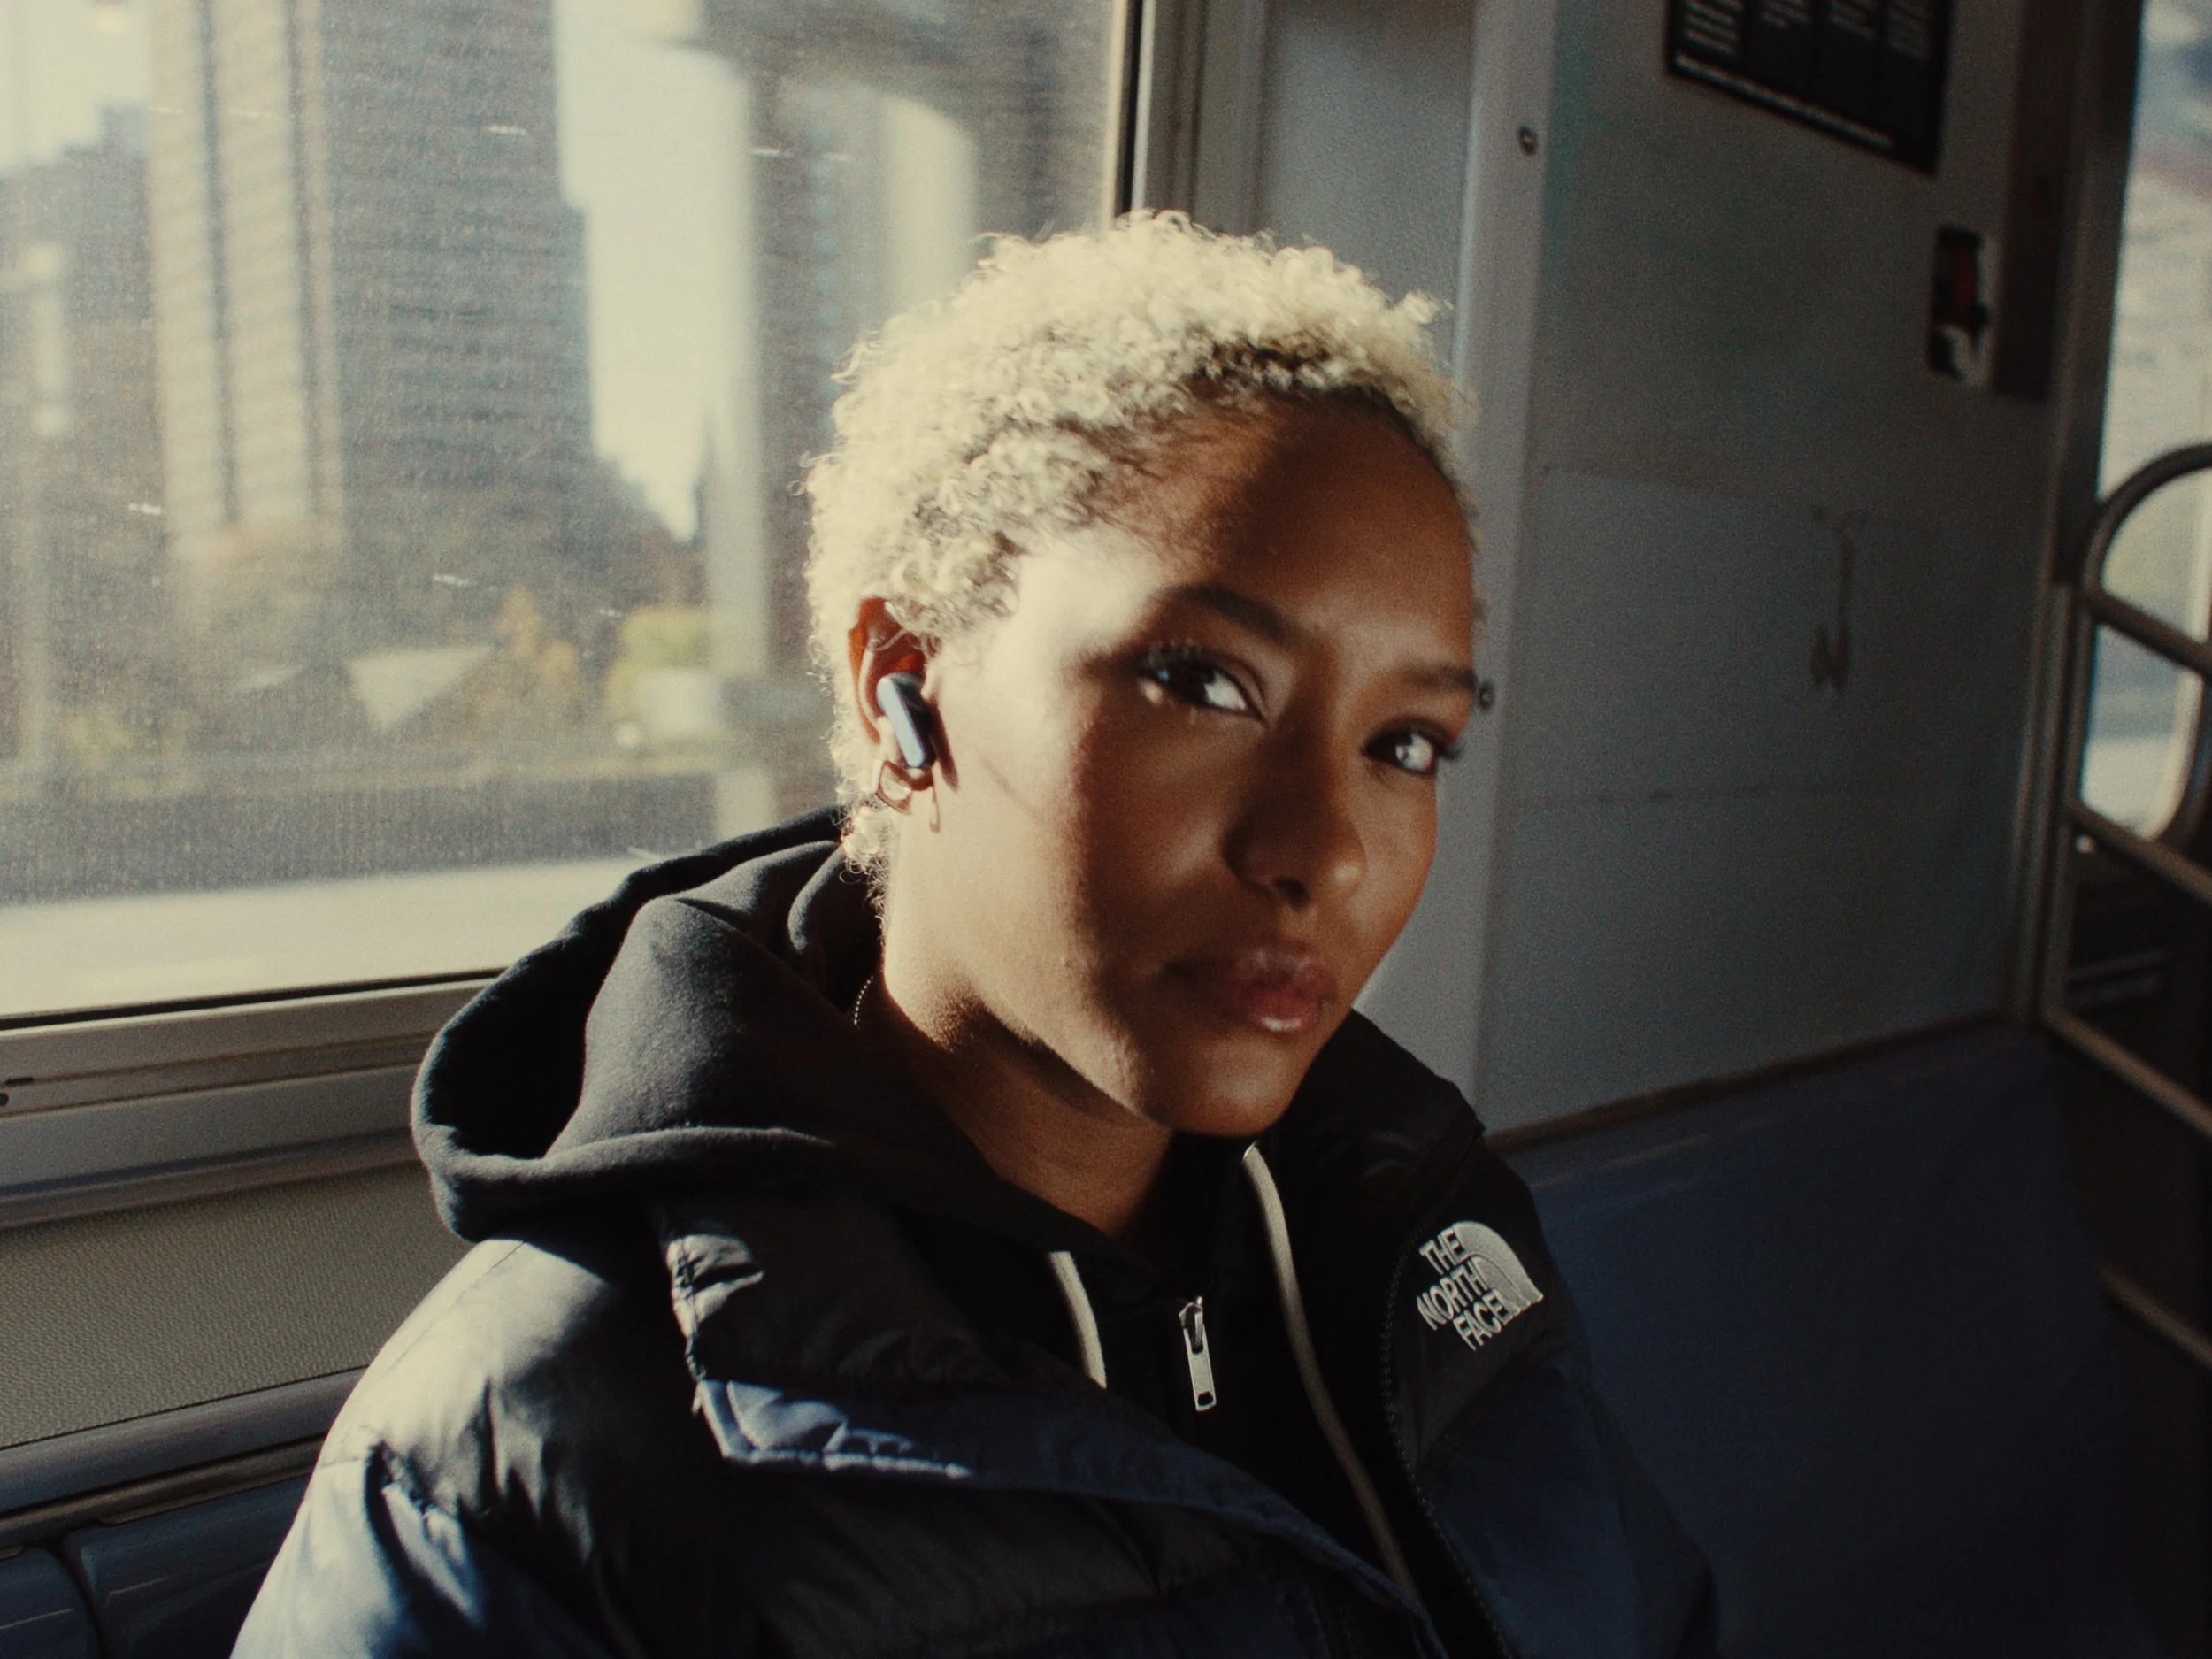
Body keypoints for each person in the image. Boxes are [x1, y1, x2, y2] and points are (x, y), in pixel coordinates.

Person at [235, 213, 1713, 1658]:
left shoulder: (1427, 1238)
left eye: (1406, 743)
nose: (1326, 848)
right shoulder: (524, 1464)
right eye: (1205, 682)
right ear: (905, 687)